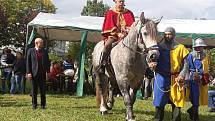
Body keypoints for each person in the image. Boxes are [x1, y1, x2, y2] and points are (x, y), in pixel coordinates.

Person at [153, 27, 189, 121]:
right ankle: (158, 119)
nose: (167, 36)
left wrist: (181, 75)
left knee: (177, 102)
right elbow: (151, 59)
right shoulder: (158, 47)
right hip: (161, 77)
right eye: (166, 34)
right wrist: (151, 64)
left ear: (174, 35)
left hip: (176, 78)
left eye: (170, 34)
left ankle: (176, 119)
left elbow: (186, 64)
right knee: (159, 101)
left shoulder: (180, 47)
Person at [99, 0, 135, 72]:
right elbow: (109, 26)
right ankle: (102, 64)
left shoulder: (129, 13)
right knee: (107, 45)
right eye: (120, 1)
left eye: (122, 1)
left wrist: (127, 31)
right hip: (114, 36)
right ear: (115, 2)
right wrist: (118, 34)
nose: (121, 3)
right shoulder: (110, 13)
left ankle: (145, 67)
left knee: (139, 45)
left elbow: (132, 26)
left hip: (127, 36)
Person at [186, 38, 209, 121]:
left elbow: (206, 67)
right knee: (194, 97)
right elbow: (187, 68)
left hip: (203, 78)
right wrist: (187, 80)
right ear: (195, 47)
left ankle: (192, 111)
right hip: (193, 78)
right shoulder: (191, 55)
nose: (199, 48)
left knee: (200, 97)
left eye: (201, 46)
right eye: (198, 46)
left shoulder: (205, 55)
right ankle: (195, 115)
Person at [26, 38, 50, 109]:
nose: (42, 44)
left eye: (42, 42)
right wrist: (28, 72)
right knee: (34, 91)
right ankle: (34, 105)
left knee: (43, 90)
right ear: (36, 43)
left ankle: (43, 105)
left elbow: (47, 63)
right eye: (41, 42)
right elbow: (28, 62)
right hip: (33, 74)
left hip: (42, 74)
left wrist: (48, 72)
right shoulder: (30, 51)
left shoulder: (45, 51)